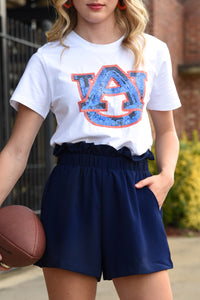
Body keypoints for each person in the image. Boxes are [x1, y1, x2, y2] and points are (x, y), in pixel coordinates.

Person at [0, 0, 181, 299]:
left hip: (133, 187)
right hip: (73, 190)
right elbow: (16, 151)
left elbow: (167, 131)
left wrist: (167, 175)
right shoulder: (48, 59)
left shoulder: (153, 50)